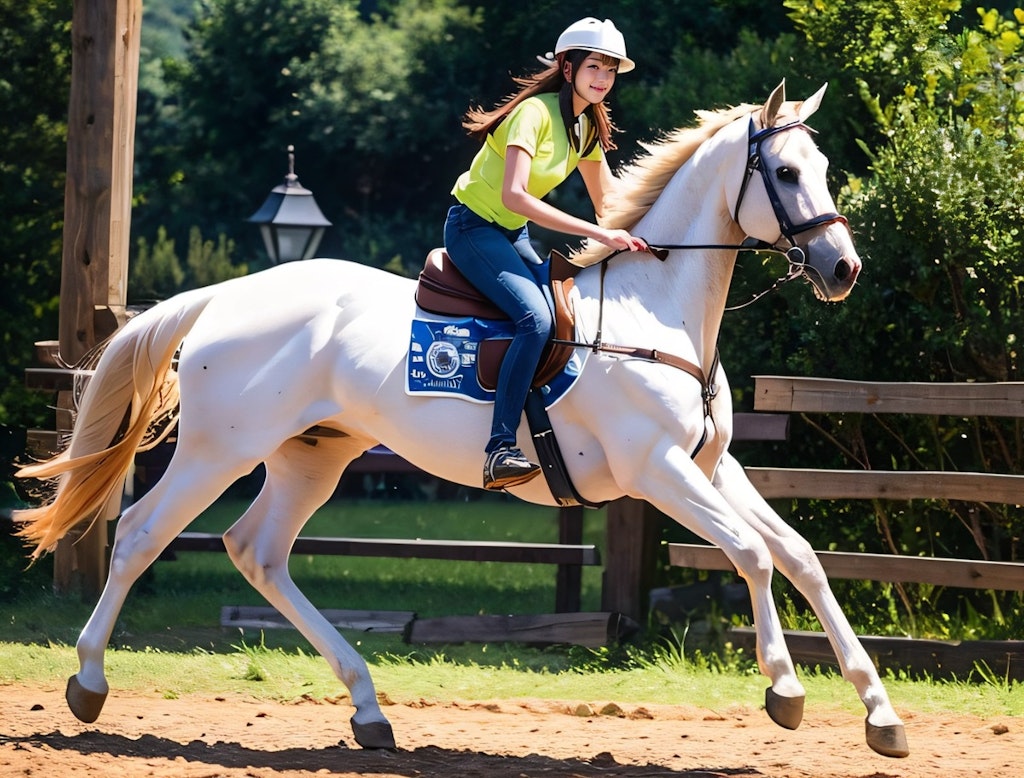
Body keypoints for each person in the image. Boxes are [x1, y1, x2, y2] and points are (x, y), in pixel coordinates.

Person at [445, 17, 648, 491]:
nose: (603, 78)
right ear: (568, 65)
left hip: (511, 234)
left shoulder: (587, 129)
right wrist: (600, 234)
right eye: (595, 66)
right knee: (536, 319)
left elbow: (608, 206)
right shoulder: (533, 113)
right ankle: (499, 449)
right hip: (473, 227)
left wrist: (652, 241)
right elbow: (514, 195)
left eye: (611, 70)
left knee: (564, 315)